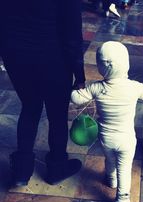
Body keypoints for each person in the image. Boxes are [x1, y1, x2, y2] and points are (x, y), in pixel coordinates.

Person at [71, 41, 143, 202]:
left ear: (100, 67)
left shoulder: (96, 87)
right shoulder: (133, 87)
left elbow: (76, 99)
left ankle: (110, 179)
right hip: (127, 140)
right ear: (126, 64)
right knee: (125, 168)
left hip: (106, 139)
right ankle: (122, 200)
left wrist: (76, 88)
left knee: (110, 160)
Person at [0, 0, 86, 186]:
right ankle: (57, 167)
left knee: (30, 106)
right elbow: (72, 35)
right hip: (53, 58)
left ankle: (21, 172)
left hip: (15, 55)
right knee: (57, 115)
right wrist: (80, 76)